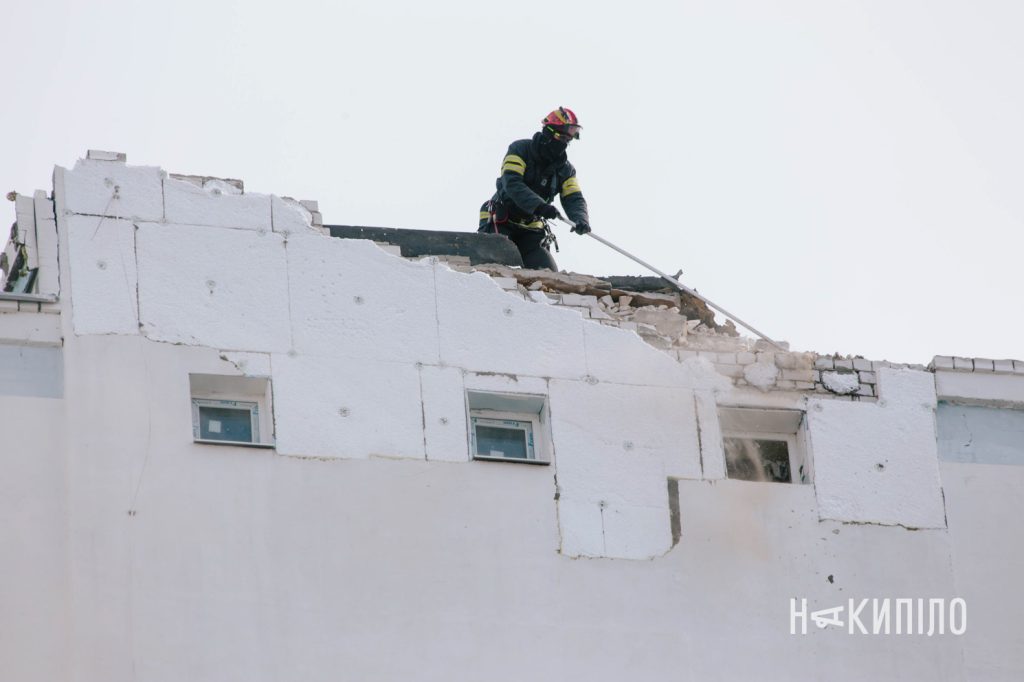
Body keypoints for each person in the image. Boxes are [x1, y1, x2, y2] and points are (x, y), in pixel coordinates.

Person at [479, 107, 591, 270]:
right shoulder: (520, 150)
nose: (564, 143)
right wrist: (540, 206)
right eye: (561, 137)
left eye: (568, 139)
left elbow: (573, 198)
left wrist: (580, 219)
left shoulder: (566, 170)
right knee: (497, 270)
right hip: (502, 220)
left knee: (549, 276)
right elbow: (512, 183)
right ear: (548, 132)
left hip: (531, 230)